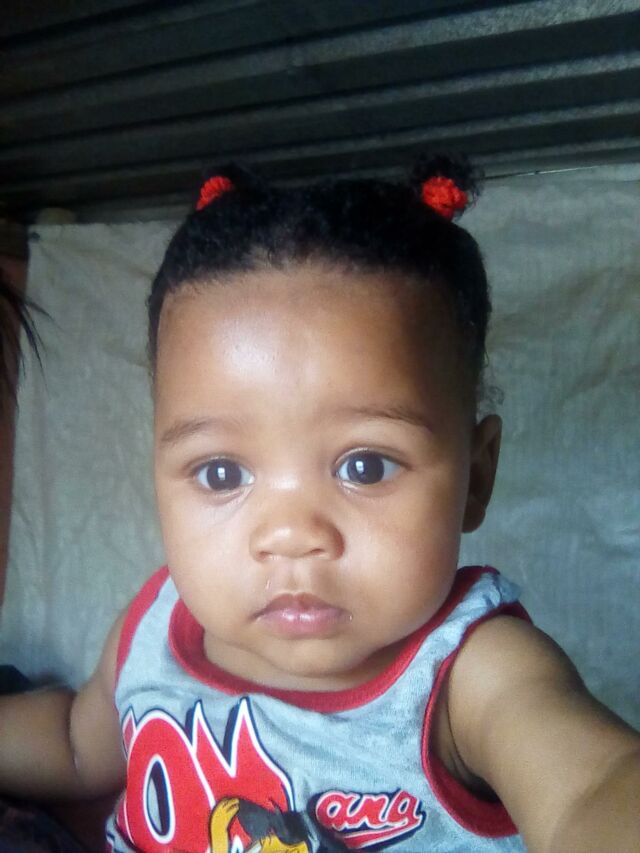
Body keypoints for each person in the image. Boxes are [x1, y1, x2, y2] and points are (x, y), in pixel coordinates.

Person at [0, 156, 638, 853]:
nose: (290, 534)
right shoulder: (153, 629)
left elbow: (593, 788)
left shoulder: (471, 676)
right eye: (220, 472)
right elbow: (75, 741)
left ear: (476, 478)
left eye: (365, 466)